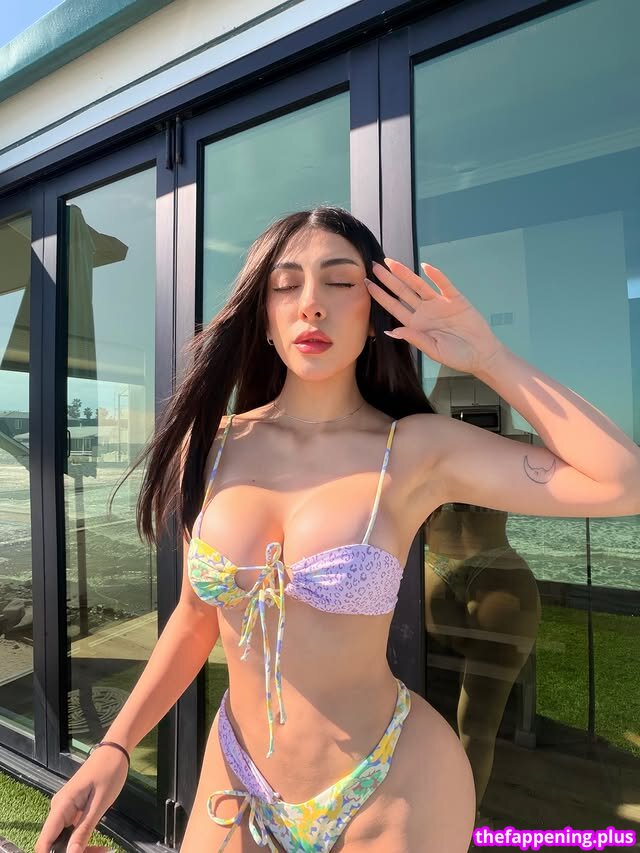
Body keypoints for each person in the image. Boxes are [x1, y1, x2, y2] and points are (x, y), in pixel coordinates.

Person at [35, 206, 640, 853]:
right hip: (236, 777)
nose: (312, 304)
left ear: (373, 312)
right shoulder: (210, 448)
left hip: (393, 783)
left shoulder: (414, 450)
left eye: (340, 281)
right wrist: (116, 744)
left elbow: (621, 481)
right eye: (286, 283)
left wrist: (490, 357)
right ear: (263, 315)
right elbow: (194, 617)